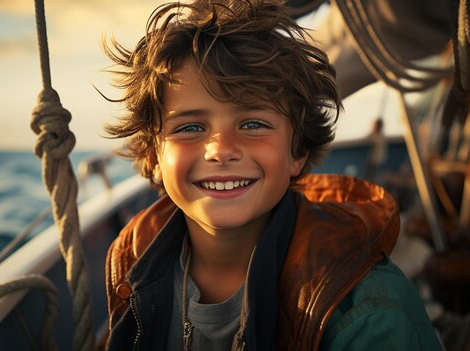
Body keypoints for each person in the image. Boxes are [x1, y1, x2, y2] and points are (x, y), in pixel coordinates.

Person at [100, 1, 442, 350]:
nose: (221, 149)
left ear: (298, 152)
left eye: (253, 124)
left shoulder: (369, 312)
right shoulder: (131, 258)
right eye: (189, 127)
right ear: (152, 156)